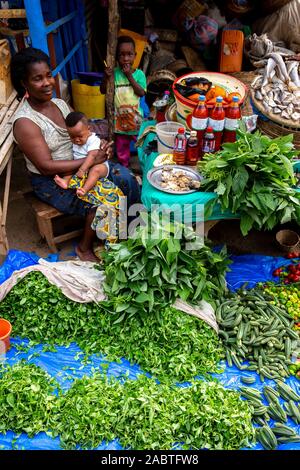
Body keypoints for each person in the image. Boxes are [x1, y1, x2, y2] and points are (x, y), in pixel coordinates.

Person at [11, 47, 141, 261]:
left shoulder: (60, 104)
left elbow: (82, 131)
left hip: (80, 164)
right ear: (24, 83)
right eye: (37, 79)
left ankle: (130, 232)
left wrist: (98, 146)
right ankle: (84, 247)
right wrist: (90, 159)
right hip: (52, 180)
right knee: (103, 200)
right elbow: (45, 166)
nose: (47, 83)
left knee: (127, 179)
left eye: (48, 75)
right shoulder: (25, 122)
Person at [101, 35, 147, 167]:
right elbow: (103, 90)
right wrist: (106, 77)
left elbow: (141, 92)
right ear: (116, 57)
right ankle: (125, 168)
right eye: (122, 55)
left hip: (136, 119)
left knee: (141, 145)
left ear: (135, 55)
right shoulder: (113, 74)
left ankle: (143, 166)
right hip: (120, 120)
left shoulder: (139, 74)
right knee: (122, 147)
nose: (126, 58)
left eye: (129, 54)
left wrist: (129, 76)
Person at [54, 111, 113, 198]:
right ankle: (66, 181)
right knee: (70, 168)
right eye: (72, 137)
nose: (76, 140)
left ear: (89, 129)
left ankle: (84, 189)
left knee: (95, 171)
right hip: (82, 166)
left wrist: (82, 170)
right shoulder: (76, 141)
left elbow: (92, 156)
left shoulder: (93, 140)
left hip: (99, 166)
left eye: (80, 136)